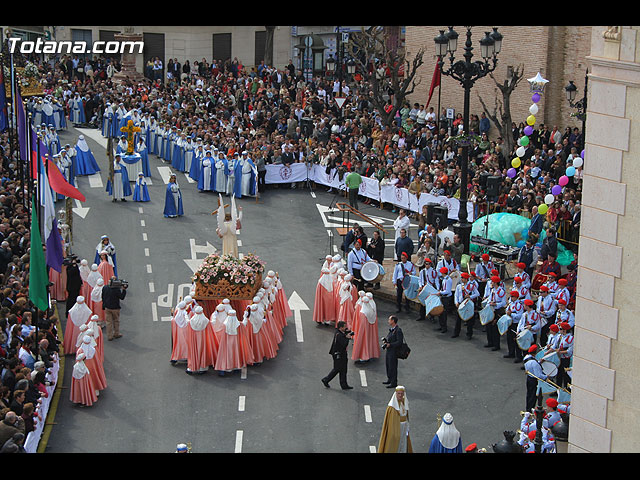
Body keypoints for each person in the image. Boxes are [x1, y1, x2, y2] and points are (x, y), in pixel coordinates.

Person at [377, 386, 412, 453]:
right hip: (396, 429)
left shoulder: (404, 403)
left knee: (403, 443)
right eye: (398, 393)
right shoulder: (392, 407)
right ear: (395, 394)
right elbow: (391, 422)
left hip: (403, 428)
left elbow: (406, 416)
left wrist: (407, 426)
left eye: (402, 394)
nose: (400, 395)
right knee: (395, 445)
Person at [321, 321, 354, 390]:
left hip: (342, 354)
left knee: (343, 369)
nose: (346, 328)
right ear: (341, 327)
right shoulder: (339, 335)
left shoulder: (339, 333)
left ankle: (344, 384)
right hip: (338, 354)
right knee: (337, 369)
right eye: (344, 327)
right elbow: (344, 344)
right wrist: (348, 338)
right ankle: (326, 379)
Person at [351, 295, 380, 363]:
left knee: (364, 342)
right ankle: (370, 353)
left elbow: (361, 324)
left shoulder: (363, 312)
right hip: (370, 330)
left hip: (363, 331)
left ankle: (364, 357)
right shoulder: (371, 309)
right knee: (369, 341)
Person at [101, 276, 127, 341]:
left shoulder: (105, 287)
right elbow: (122, 297)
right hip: (115, 308)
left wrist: (104, 305)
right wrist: (123, 290)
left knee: (108, 322)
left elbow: (103, 297)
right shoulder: (116, 290)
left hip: (107, 307)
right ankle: (116, 333)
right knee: (116, 321)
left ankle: (109, 336)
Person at [523, 345, 548, 412]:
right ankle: (530, 409)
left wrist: (539, 362)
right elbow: (538, 375)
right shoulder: (534, 363)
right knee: (533, 395)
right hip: (534, 380)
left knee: (529, 394)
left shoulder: (526, 358)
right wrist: (546, 376)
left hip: (529, 378)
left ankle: (528, 408)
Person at [382, 315, 403, 389]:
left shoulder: (398, 330)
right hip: (389, 351)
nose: (388, 321)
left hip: (393, 351)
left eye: (389, 319)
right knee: (388, 365)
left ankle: (393, 382)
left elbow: (399, 342)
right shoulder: (392, 330)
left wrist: (390, 345)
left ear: (393, 321)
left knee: (393, 367)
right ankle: (389, 379)